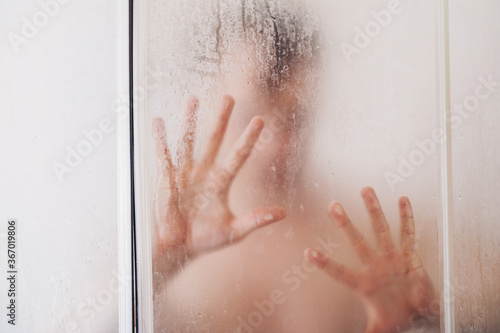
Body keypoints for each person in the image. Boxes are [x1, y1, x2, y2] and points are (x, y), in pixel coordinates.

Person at [151, 1, 437, 332]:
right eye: (250, 117)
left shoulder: (362, 237)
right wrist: (164, 265)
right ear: (206, 100)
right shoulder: (156, 240)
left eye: (294, 118)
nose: (275, 146)